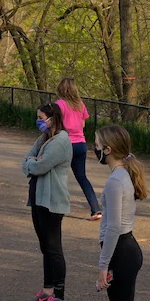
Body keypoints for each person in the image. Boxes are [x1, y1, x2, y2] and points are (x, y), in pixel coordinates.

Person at [92, 124, 146, 301]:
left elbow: (112, 227)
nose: (95, 149)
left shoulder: (116, 180)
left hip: (122, 253)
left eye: (97, 144)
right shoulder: (121, 173)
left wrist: (103, 266)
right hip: (124, 250)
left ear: (108, 150)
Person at [22, 102, 73, 301]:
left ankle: (59, 295)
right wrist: (31, 163)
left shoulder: (60, 141)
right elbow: (27, 159)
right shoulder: (45, 138)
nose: (39, 122)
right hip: (38, 198)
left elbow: (40, 166)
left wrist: (32, 164)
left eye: (42, 118)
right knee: (45, 246)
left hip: (52, 201)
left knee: (53, 248)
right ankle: (47, 290)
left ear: (52, 119)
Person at [55, 78, 101, 221]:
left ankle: (59, 209)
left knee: (59, 176)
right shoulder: (80, 105)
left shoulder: (59, 105)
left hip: (65, 144)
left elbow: (56, 125)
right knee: (82, 177)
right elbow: (82, 124)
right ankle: (95, 209)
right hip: (81, 143)